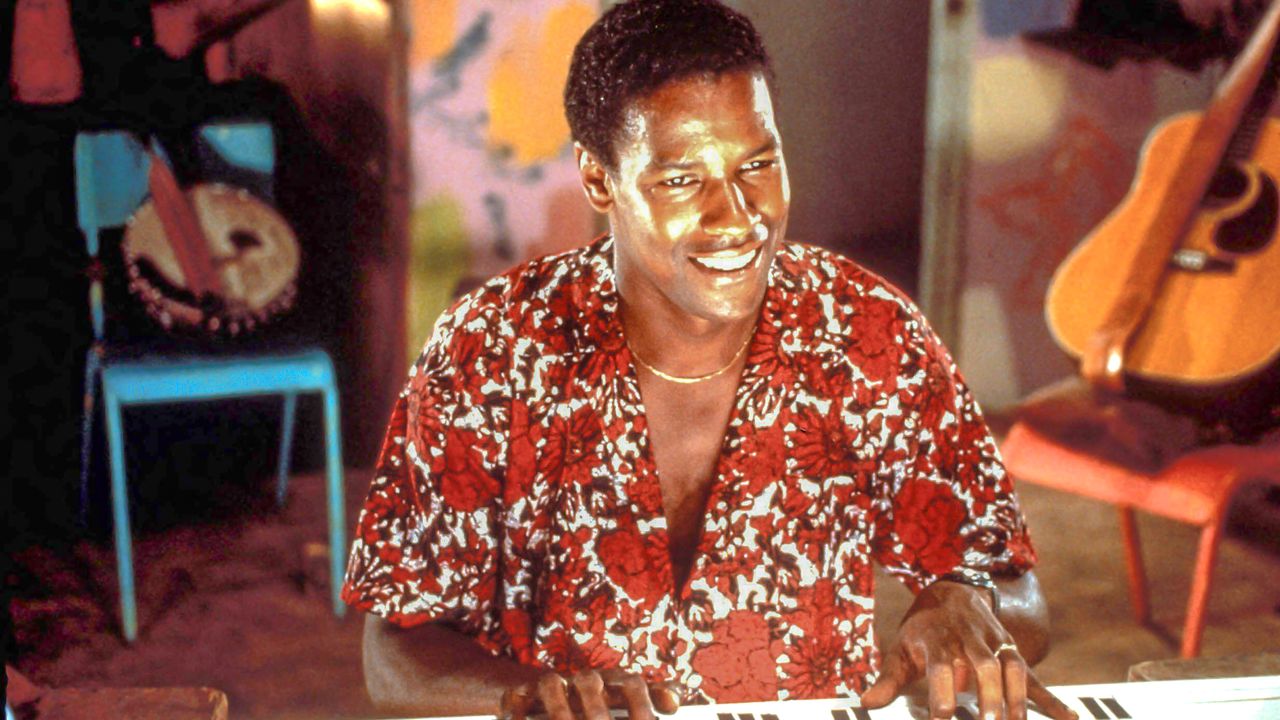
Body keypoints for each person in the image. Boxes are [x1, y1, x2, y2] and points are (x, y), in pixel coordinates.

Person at [343, 2, 1077, 719]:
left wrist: (966, 601)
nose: (737, 216)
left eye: (757, 164)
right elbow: (395, 649)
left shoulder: (867, 334)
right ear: (599, 179)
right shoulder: (491, 347)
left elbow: (1016, 593)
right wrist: (525, 695)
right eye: (680, 179)